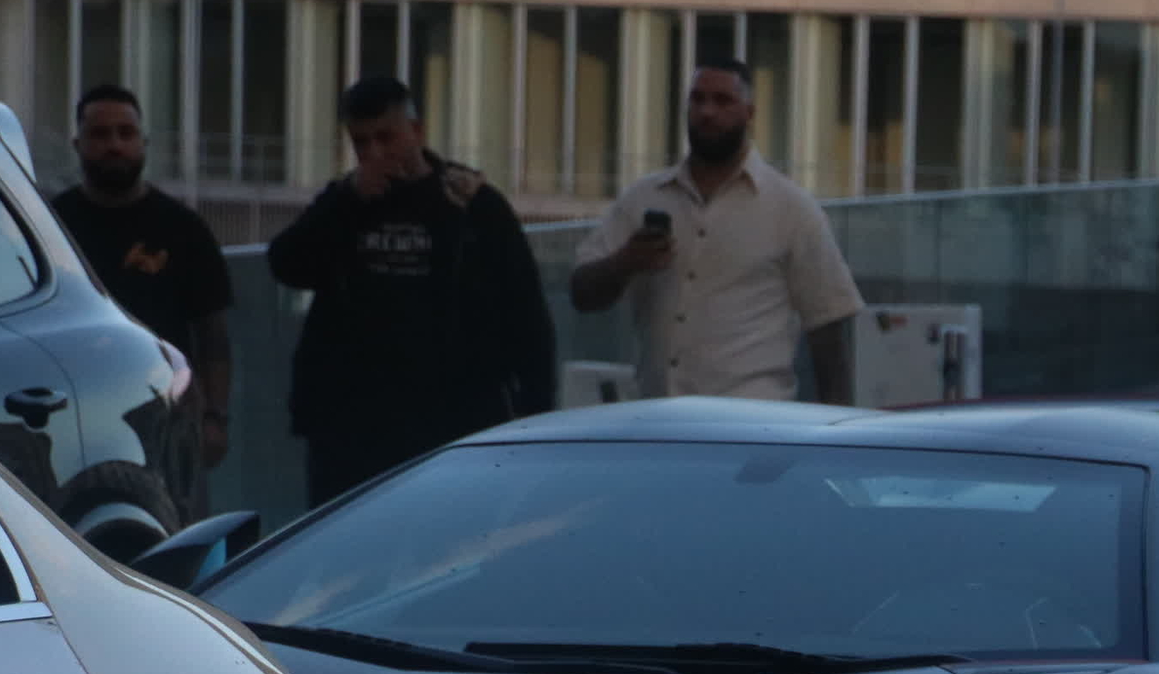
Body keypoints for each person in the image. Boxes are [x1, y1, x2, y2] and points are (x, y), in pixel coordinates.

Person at [267, 76, 556, 508]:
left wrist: (534, 416)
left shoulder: (471, 204)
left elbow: (526, 313)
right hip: (353, 423)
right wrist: (347, 201)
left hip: (451, 418)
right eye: (361, 143)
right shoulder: (346, 202)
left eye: (386, 138)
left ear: (416, 132)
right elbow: (286, 263)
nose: (375, 154)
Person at [570, 60, 861, 404]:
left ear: (749, 113)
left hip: (750, 420)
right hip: (658, 417)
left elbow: (827, 329)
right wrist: (626, 261)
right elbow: (581, 293)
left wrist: (832, 436)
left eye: (723, 101)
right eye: (698, 99)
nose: (707, 112)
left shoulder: (791, 207)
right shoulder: (645, 196)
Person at [50, 84, 233, 495]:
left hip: (168, 417)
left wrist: (215, 418)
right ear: (78, 145)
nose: (114, 145)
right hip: (77, 416)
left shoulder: (183, 228)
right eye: (100, 135)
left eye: (125, 133)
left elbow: (213, 334)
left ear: (143, 143)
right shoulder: (52, 226)